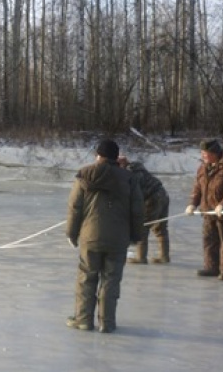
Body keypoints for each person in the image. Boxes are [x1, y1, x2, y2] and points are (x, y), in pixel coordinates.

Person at [66, 139, 144, 333]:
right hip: (118, 238)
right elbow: (137, 209)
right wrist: (136, 235)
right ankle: (107, 323)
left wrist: (71, 233)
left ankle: (83, 320)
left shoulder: (84, 174)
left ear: (98, 155)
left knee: (87, 278)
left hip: (90, 236)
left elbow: (75, 207)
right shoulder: (129, 178)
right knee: (111, 280)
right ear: (116, 157)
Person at [185, 139, 223, 280]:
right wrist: (193, 203)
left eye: (206, 153)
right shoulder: (203, 167)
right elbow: (198, 187)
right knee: (209, 241)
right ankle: (211, 267)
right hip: (208, 211)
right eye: (202, 153)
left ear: (215, 152)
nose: (203, 156)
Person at [118, 156, 171, 264]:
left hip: (151, 199)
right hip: (162, 194)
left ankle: (141, 257)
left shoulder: (131, 174)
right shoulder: (138, 168)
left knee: (142, 226)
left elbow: (135, 195)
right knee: (161, 227)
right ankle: (164, 256)